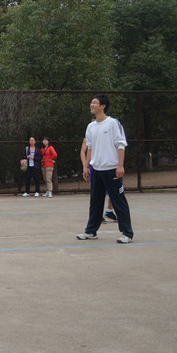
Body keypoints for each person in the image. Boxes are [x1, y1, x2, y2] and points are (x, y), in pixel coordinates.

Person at [77, 94, 135, 243]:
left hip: (112, 169)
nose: (91, 105)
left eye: (94, 103)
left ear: (103, 106)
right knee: (95, 202)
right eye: (91, 102)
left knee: (118, 201)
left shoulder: (113, 123)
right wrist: (86, 166)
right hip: (96, 169)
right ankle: (91, 231)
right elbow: (90, 147)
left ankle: (127, 233)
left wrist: (120, 165)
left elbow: (121, 145)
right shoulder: (91, 126)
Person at [81, 129, 116, 222]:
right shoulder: (88, 137)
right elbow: (83, 152)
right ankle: (97, 215)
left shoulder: (106, 135)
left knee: (114, 189)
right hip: (94, 165)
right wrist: (85, 166)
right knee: (98, 191)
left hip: (106, 165)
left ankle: (109, 211)